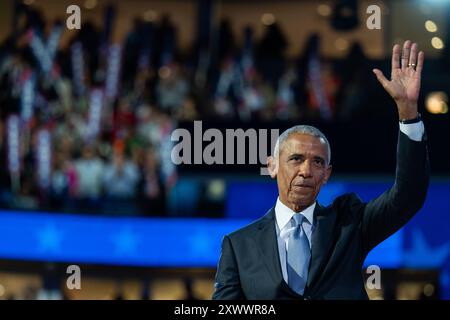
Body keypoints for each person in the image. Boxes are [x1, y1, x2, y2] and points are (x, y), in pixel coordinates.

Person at [212, 40, 429, 300]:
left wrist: (407, 113)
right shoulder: (238, 246)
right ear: (271, 166)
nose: (306, 170)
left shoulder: (350, 224)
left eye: (317, 162)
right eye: (295, 159)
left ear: (326, 174)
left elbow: (409, 195)